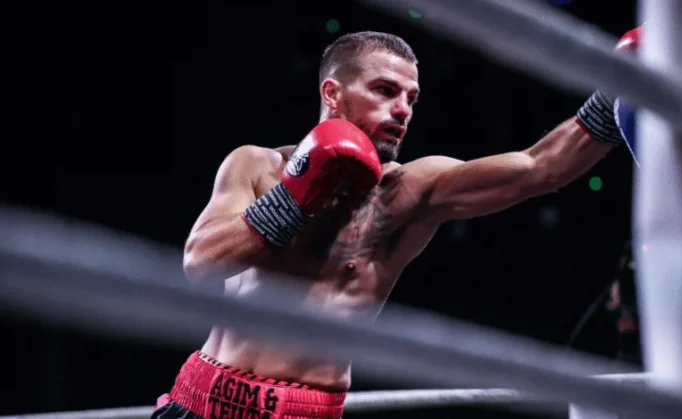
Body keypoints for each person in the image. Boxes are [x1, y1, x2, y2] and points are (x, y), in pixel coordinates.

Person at [153, 27, 642, 419]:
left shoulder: (410, 192)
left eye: (411, 97)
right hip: (204, 399)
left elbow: (540, 168)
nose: (402, 109)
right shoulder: (256, 166)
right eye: (385, 91)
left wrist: (615, 93)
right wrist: (298, 195)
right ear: (333, 93)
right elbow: (200, 262)